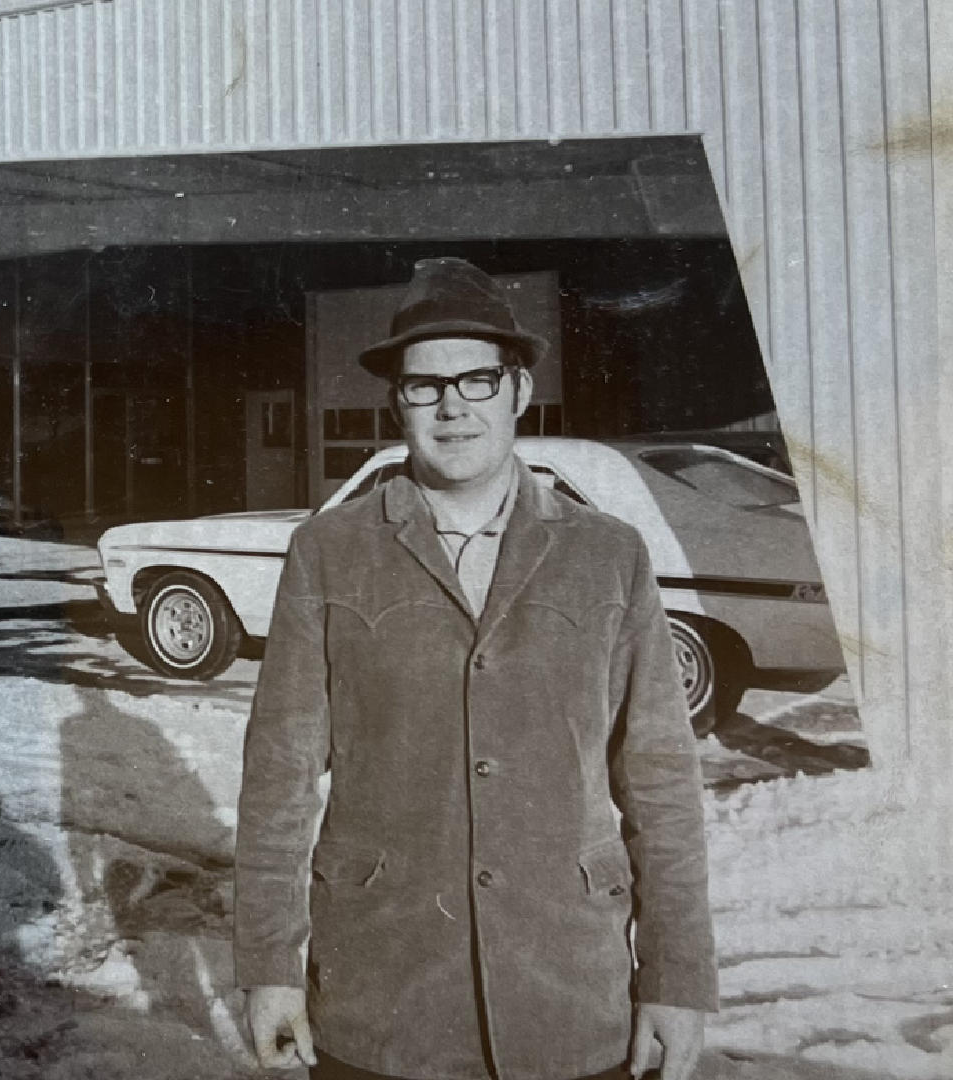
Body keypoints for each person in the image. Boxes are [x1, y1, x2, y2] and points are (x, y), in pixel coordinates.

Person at [234, 258, 716, 1080]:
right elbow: (278, 776)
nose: (452, 404)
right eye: (425, 386)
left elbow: (662, 782)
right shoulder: (329, 551)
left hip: (568, 997)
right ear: (398, 401)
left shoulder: (609, 557)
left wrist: (675, 977)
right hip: (383, 1002)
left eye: (478, 379)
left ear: (520, 391)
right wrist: (269, 966)